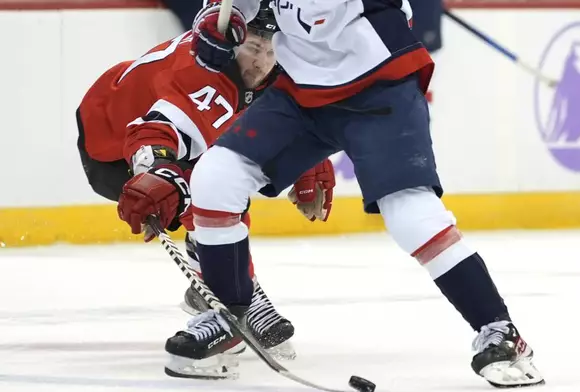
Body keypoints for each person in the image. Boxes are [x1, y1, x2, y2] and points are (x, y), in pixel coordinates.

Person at [118, 0, 544, 387]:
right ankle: (230, 315)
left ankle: (501, 332)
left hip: (380, 85)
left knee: (411, 215)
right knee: (216, 175)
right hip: (299, 88)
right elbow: (241, 7)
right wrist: (216, 20)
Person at [78, 2, 334, 365]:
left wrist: (309, 156)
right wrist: (156, 172)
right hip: (110, 144)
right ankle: (233, 297)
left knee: (222, 177)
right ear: (233, 45)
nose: (261, 63)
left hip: (152, 134)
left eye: (271, 51)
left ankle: (230, 290)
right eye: (253, 49)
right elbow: (156, 131)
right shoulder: (199, 71)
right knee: (210, 184)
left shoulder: (268, 72)